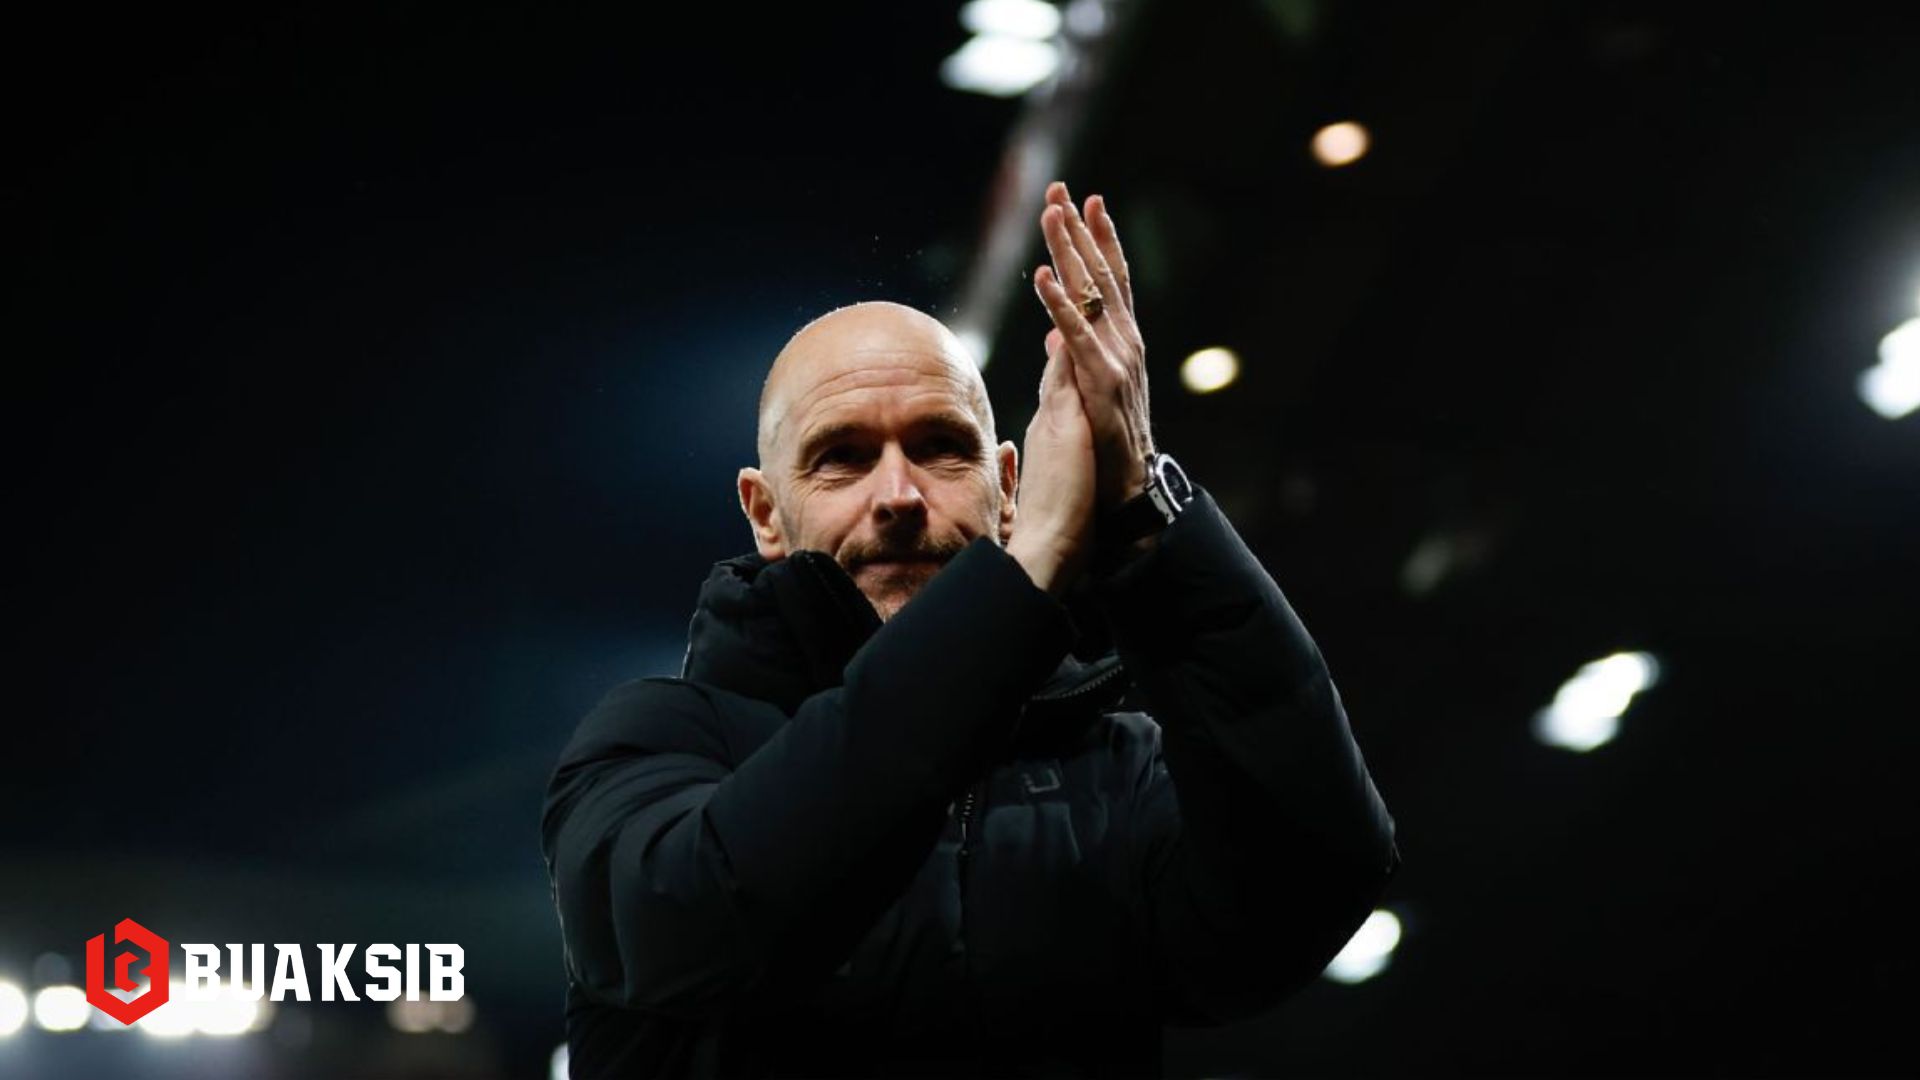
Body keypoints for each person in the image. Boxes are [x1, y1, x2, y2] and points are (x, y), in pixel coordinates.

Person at [541, 181, 1400, 1078]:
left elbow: (1309, 891)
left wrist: (1145, 517)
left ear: (1009, 487)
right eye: (843, 458)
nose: (899, 496)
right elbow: (698, 925)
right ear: (765, 513)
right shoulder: (654, 742)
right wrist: (1023, 579)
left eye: (941, 448)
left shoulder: (1119, 770)